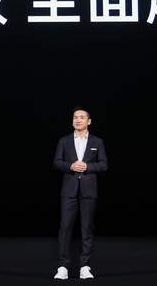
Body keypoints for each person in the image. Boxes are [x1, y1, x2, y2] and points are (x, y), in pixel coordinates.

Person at [53, 107, 108, 280]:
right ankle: (63, 267)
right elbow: (56, 162)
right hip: (68, 191)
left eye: (82, 117)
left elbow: (104, 164)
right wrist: (70, 166)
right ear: (72, 121)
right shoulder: (64, 141)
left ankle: (85, 266)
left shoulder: (97, 142)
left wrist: (87, 167)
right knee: (65, 227)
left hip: (88, 190)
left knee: (87, 228)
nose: (78, 120)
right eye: (75, 117)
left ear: (89, 121)